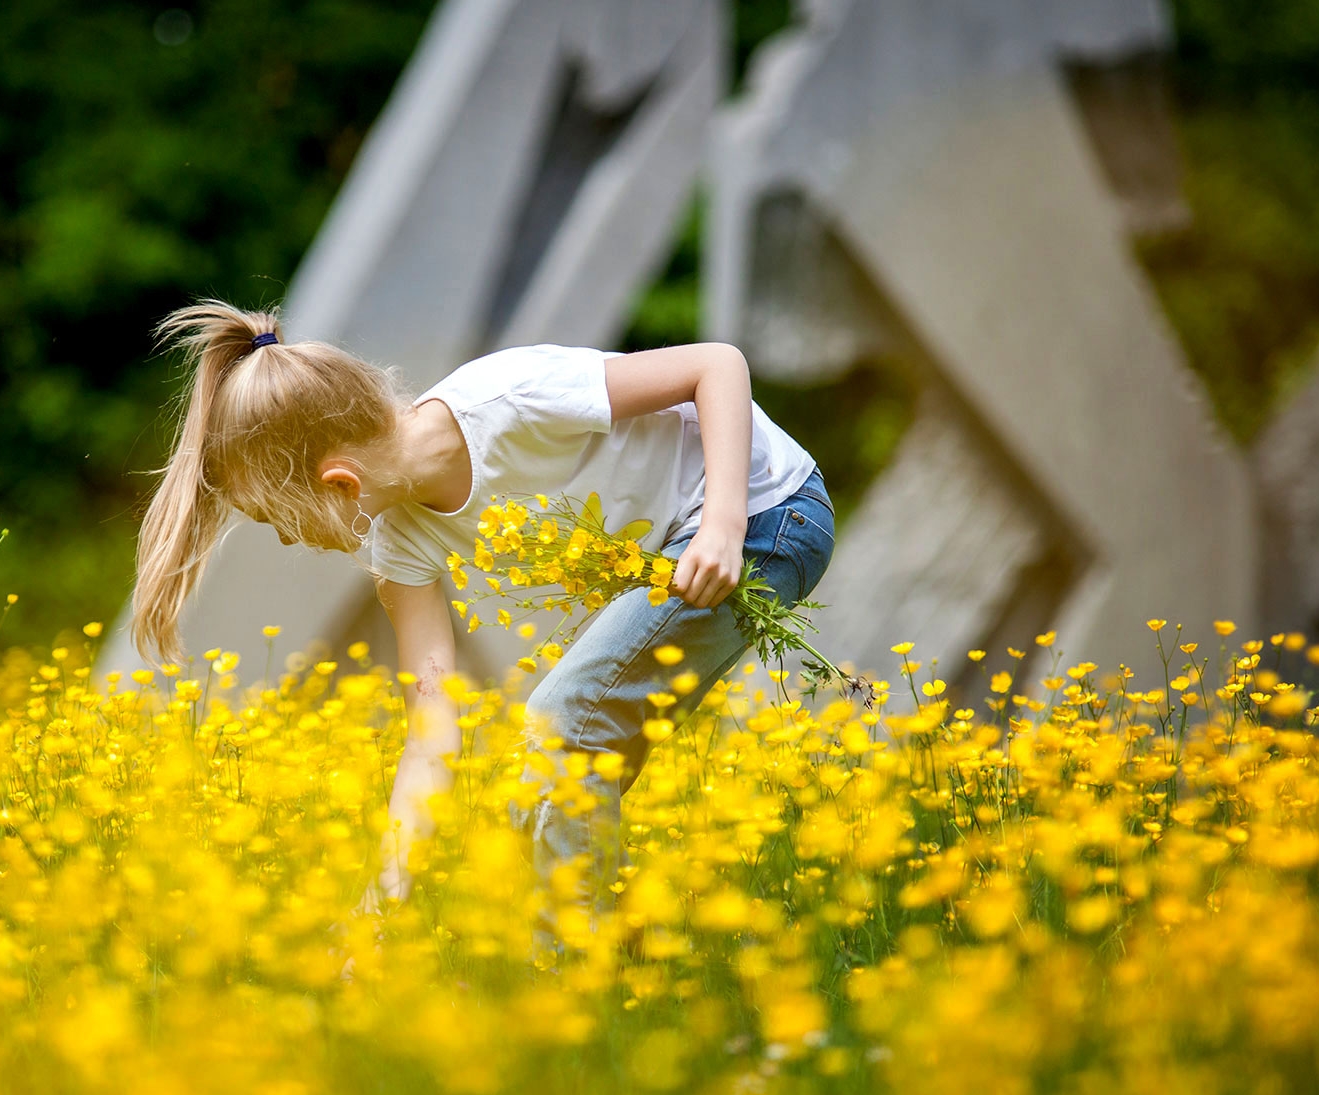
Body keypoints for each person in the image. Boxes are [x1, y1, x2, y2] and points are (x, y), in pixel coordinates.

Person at [131, 303, 834, 946]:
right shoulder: (400, 541)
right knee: (540, 788)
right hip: (682, 557)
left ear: (339, 483)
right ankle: (623, 958)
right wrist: (385, 893)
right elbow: (433, 731)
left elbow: (717, 365)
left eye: (274, 520)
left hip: (770, 514)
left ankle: (572, 974)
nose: (287, 540)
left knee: (565, 722)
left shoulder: (510, 398)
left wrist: (723, 524)